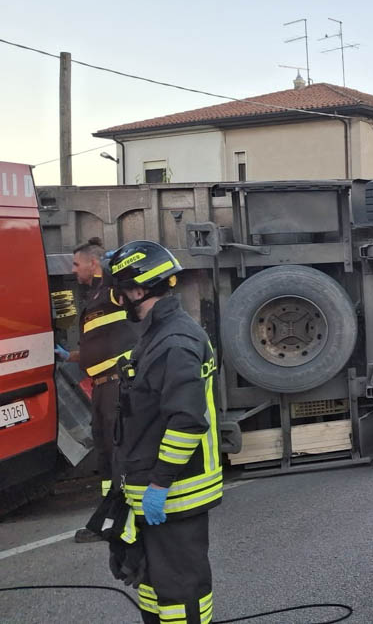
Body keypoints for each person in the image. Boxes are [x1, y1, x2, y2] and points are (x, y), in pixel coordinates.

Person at [108, 240, 221, 624]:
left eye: (121, 291)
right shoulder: (160, 335)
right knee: (154, 586)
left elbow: (187, 420)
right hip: (155, 491)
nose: (119, 300)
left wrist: (158, 485)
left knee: (180, 591)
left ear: (139, 290)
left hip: (173, 493)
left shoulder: (174, 342)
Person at [62, 238, 138, 543]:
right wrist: (67, 356)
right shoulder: (92, 297)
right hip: (101, 389)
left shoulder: (112, 288)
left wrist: (114, 263)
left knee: (119, 450)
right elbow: (97, 344)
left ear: (94, 263)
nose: (73, 269)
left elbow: (134, 292)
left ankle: (125, 518)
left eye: (76, 263)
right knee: (105, 453)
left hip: (117, 384)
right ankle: (109, 513)